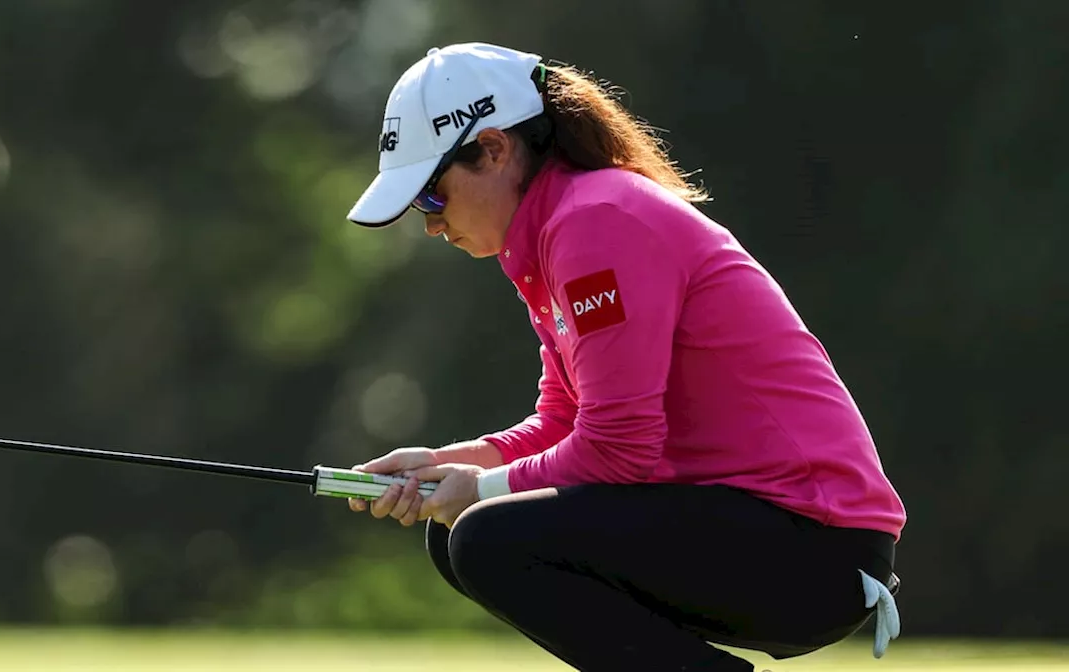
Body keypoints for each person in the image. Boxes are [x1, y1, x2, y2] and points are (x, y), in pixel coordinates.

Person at [343, 42, 907, 672]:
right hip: (760, 532)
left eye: (432, 196)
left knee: (486, 536)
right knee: (463, 535)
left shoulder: (595, 222)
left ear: (496, 149)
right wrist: (456, 463)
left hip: (816, 547)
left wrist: (479, 488)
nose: (430, 224)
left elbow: (618, 447)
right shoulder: (553, 230)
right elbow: (565, 419)